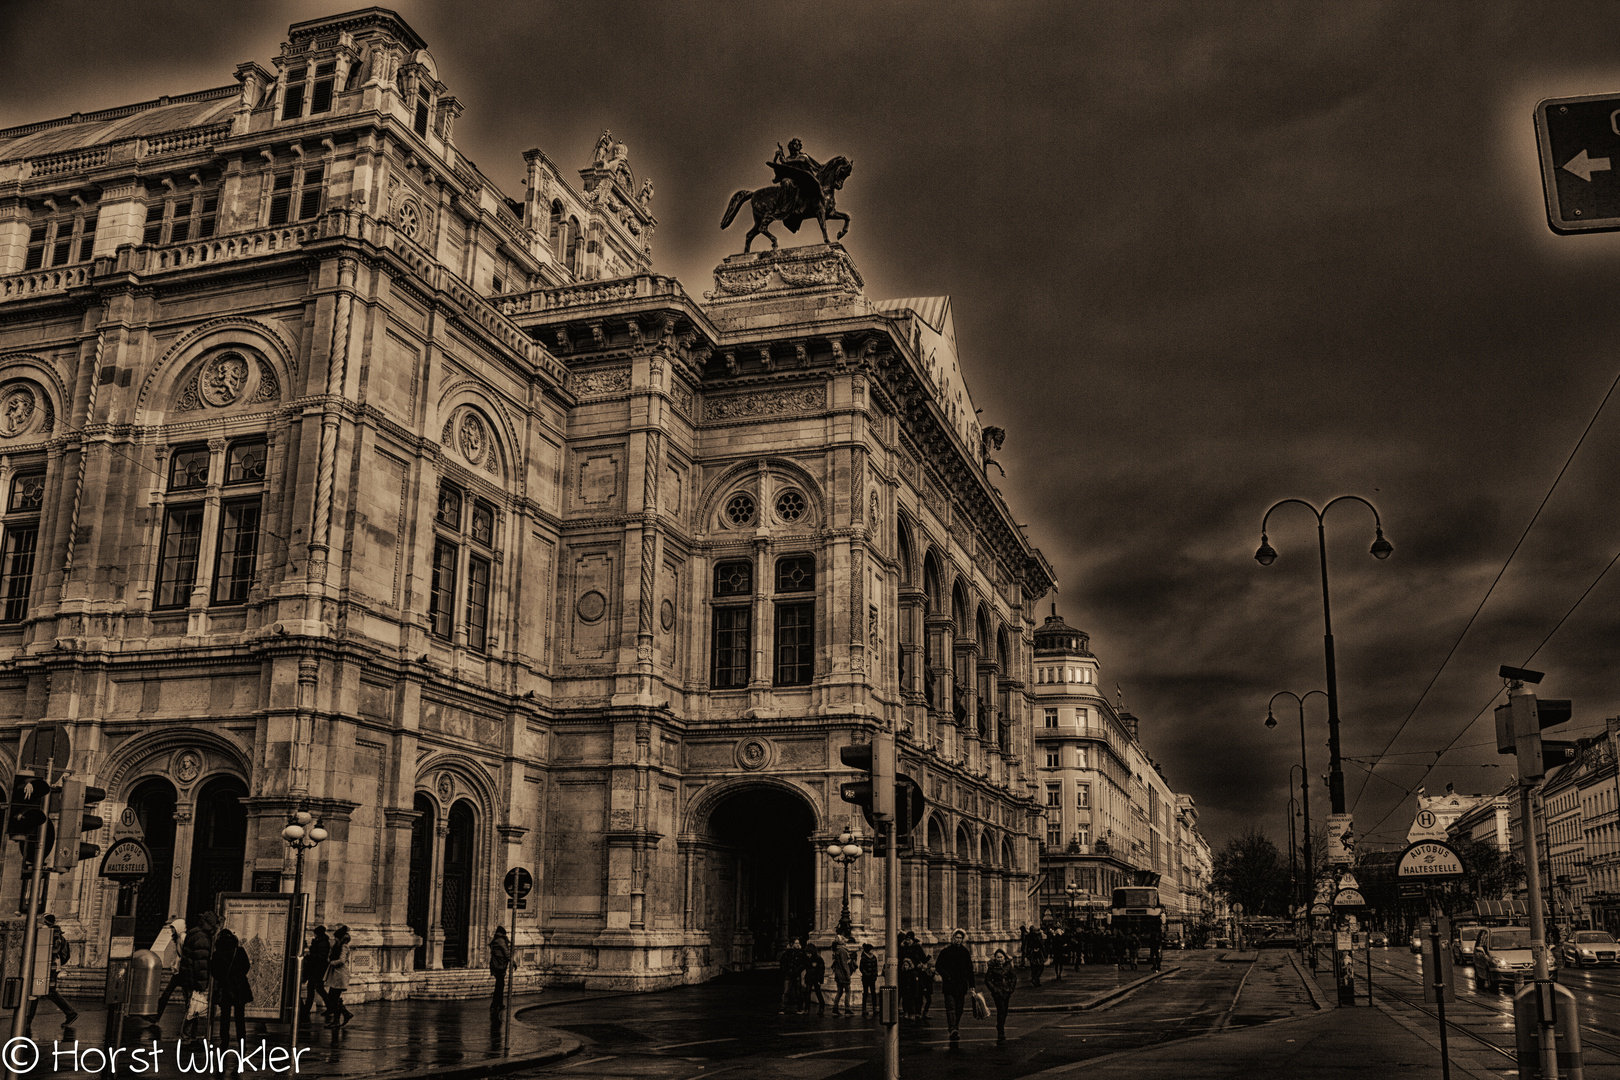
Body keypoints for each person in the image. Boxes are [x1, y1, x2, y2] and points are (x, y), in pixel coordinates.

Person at [25, 914, 77, 1031]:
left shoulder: (47, 932)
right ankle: (70, 1013)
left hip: (46, 968)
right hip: (52, 967)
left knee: (38, 990)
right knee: (45, 990)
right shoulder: (56, 933)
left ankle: (28, 1020)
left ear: (44, 921)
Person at [179, 911, 219, 1041]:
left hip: (188, 977)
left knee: (193, 1008)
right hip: (194, 979)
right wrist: (202, 984)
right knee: (192, 1009)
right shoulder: (202, 938)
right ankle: (186, 1036)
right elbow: (200, 963)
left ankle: (191, 1036)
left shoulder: (195, 933)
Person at [210, 921, 253, 1041]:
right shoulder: (239, 951)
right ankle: (242, 1041)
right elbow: (246, 966)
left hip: (225, 988)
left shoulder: (217, 953)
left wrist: (223, 978)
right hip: (240, 987)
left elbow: (214, 971)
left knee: (225, 1017)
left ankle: (224, 1041)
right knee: (240, 1018)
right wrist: (239, 976)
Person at [935, 929, 975, 1047]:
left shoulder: (965, 952)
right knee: (951, 1007)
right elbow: (938, 966)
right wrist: (946, 976)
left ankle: (955, 1026)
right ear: (952, 938)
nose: (958, 940)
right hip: (949, 985)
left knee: (959, 1008)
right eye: (956, 938)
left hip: (961, 985)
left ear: (962, 939)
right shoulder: (946, 951)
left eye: (960, 938)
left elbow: (970, 970)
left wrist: (972, 985)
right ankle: (952, 1029)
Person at [152, 917, 188, 1022]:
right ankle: (156, 1016)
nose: (172, 930)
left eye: (173, 928)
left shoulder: (183, 937)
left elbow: (183, 954)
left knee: (173, 994)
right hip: (178, 971)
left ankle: (190, 1016)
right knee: (168, 993)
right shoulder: (178, 938)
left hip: (181, 971)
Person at [985, 947, 1018, 1044]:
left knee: (1005, 1011)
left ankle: (1000, 1025)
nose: (1000, 959)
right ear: (995, 958)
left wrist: (1011, 988)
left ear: (1004, 957)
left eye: (1001, 957)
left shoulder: (1008, 965)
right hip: (998, 991)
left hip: (1006, 990)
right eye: (998, 957)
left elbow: (1013, 977)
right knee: (1001, 1010)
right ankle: (1001, 1029)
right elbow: (987, 979)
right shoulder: (992, 967)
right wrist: (994, 989)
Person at [323, 925, 354, 1027]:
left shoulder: (344, 946)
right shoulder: (337, 946)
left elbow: (341, 960)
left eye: (336, 937)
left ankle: (337, 1020)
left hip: (339, 975)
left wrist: (332, 962)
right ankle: (345, 1014)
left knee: (333, 998)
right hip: (335, 975)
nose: (334, 939)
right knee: (333, 997)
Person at [301, 925, 331, 1021]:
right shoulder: (321, 941)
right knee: (318, 989)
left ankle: (307, 1009)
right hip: (316, 970)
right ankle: (330, 1007)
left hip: (316, 970)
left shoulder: (322, 942)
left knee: (313, 988)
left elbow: (321, 956)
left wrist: (310, 956)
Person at [489, 926, 514, 1011]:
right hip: (500, 966)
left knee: (499, 985)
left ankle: (498, 1003)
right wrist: (513, 962)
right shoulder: (501, 941)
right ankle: (495, 1004)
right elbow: (506, 953)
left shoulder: (495, 940)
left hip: (496, 965)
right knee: (500, 985)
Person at [778, 938, 804, 1015]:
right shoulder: (787, 953)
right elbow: (782, 963)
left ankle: (800, 1008)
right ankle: (782, 1008)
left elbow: (803, 964)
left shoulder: (800, 953)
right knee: (786, 992)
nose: (797, 944)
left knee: (798, 992)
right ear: (792, 944)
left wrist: (798, 970)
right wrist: (786, 970)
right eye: (796, 943)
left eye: (798, 943)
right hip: (788, 974)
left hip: (796, 975)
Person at [830, 934, 854, 1015]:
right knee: (848, 991)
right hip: (843, 975)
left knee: (839, 991)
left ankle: (835, 1008)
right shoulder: (842, 951)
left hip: (838, 974)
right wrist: (847, 975)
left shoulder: (836, 950)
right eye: (843, 940)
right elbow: (844, 964)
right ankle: (847, 1008)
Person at [803, 943, 827, 1016]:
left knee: (818, 993)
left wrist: (819, 980)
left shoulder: (818, 959)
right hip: (809, 978)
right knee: (807, 993)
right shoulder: (807, 959)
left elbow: (821, 970)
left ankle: (821, 1008)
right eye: (807, 953)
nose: (808, 955)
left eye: (809, 953)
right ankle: (807, 1009)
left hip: (816, 979)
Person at [858, 943, 879, 1018]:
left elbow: (876, 967)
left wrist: (875, 974)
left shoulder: (874, 957)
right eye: (871, 949)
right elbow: (861, 968)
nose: (872, 951)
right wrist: (866, 974)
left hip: (872, 978)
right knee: (866, 992)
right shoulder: (863, 958)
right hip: (866, 978)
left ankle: (875, 1007)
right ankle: (864, 1008)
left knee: (873, 993)